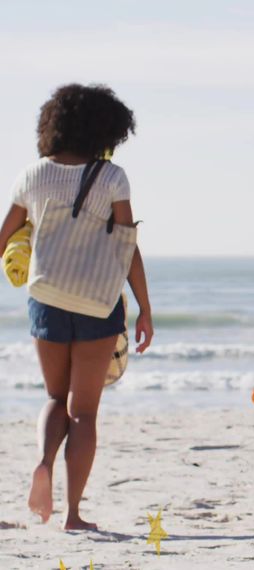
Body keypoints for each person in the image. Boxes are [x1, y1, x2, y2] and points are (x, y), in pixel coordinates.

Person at [0, 84, 154, 530]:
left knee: (54, 396)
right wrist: (144, 308)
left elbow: (5, 234)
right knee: (83, 410)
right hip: (96, 301)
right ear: (105, 129)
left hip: (45, 297)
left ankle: (44, 461)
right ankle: (72, 514)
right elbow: (128, 247)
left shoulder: (31, 176)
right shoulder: (112, 178)